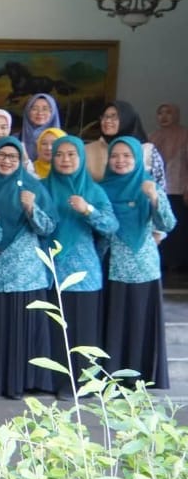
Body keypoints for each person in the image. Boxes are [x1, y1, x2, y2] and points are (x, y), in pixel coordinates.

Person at [42, 136, 118, 399]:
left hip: (85, 272)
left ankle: (84, 384)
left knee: (84, 330)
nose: (65, 159)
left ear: (81, 158)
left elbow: (111, 226)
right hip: (52, 270)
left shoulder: (93, 191)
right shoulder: (44, 188)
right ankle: (56, 382)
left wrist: (88, 210)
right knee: (56, 329)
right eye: (59, 154)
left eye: (71, 154)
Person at [0, 136, 57, 399]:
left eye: (13, 157)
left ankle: (25, 382)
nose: (6, 161)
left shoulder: (32, 186)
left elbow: (48, 227)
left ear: (21, 160)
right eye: (1, 155)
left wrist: (31, 208)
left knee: (23, 327)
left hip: (26, 272)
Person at [100, 136, 176, 389]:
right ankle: (113, 376)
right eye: (115, 156)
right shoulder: (102, 188)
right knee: (115, 322)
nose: (120, 160)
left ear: (137, 159)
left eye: (127, 156)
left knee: (140, 322)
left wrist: (154, 198)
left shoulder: (149, 185)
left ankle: (141, 377)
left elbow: (168, 224)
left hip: (143, 267)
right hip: (111, 266)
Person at [85, 101, 166, 189]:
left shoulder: (147, 150)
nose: (107, 120)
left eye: (114, 116)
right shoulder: (88, 150)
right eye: (104, 116)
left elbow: (160, 187)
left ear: (127, 119)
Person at [151, 103, 187, 276]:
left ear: (176, 115)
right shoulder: (153, 137)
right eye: (160, 112)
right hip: (157, 191)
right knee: (159, 225)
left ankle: (178, 263)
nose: (164, 116)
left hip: (179, 189)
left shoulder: (185, 135)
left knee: (178, 228)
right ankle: (163, 262)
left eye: (169, 112)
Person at [21, 93, 60, 162]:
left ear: (53, 112)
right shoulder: (16, 139)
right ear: (28, 111)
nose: (40, 113)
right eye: (34, 109)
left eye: (45, 109)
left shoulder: (63, 141)